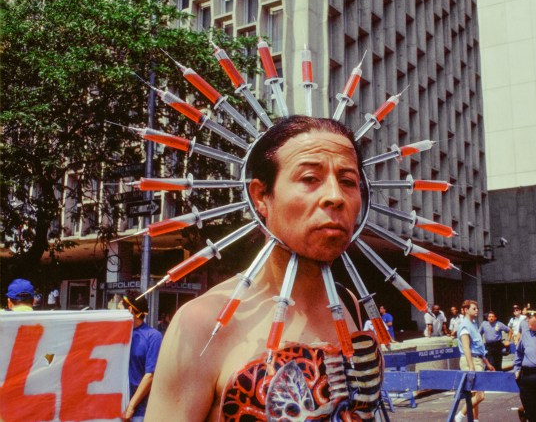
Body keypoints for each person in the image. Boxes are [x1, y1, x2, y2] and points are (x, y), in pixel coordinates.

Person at [147, 116, 384, 420]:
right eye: (310, 179)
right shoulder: (203, 324)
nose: (335, 197)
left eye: (348, 182)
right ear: (261, 196)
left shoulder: (347, 302)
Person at [122, 290, 163, 422]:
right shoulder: (119, 334)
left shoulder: (153, 336)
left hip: (139, 410)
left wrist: (131, 406)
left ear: (129, 310)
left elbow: (150, 375)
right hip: (115, 405)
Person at [454, 299, 494, 422]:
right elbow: (466, 347)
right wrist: (471, 367)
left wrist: (487, 363)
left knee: (474, 395)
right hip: (470, 361)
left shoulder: (474, 324)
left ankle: (475, 419)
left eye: (477, 308)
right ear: (466, 310)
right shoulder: (465, 326)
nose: (477, 310)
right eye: (474, 309)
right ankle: (459, 416)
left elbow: (479, 348)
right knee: (480, 396)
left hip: (478, 360)